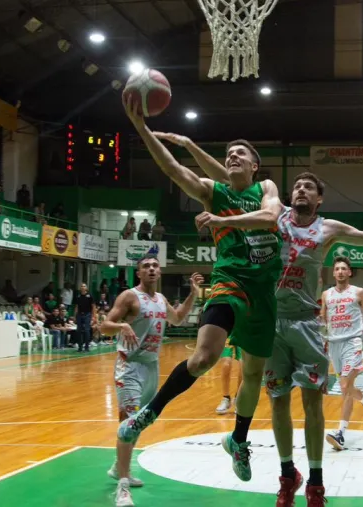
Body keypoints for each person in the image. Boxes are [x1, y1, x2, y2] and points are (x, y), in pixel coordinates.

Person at [160, 134, 363, 506]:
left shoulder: (328, 229)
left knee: (310, 404)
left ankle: (317, 482)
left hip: (307, 324)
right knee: (276, 403)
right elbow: (227, 182)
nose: (301, 190)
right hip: (270, 322)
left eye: (309, 186)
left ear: (319, 198)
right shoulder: (272, 217)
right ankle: (287, 474)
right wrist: (194, 157)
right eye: (297, 186)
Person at [116, 96, 285, 483]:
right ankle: (148, 414)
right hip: (229, 281)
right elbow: (174, 169)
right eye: (228, 153)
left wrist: (226, 220)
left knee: (254, 375)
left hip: (264, 293)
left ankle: (238, 440)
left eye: (240, 153)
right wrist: (141, 127)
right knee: (204, 358)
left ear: (254, 165)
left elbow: (271, 217)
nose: (233, 156)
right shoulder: (214, 192)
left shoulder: (266, 189)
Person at [101, 255, 202, 507]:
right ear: (139, 273)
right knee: (129, 422)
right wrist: (122, 326)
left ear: (160, 271)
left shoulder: (160, 299)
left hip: (152, 367)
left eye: (155, 266)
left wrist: (193, 294)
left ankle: (118, 467)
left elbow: (177, 318)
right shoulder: (129, 297)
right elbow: (104, 325)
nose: (152, 269)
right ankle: (123, 488)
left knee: (141, 422)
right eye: (146, 266)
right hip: (130, 367)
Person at [323, 256, 363, 451]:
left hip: (353, 342)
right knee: (346, 387)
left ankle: (340, 433)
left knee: (344, 385)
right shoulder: (326, 295)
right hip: (334, 345)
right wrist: (322, 341)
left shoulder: (358, 292)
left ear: (349, 272)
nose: (340, 271)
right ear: (333, 273)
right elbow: (323, 320)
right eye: (337, 269)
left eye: (344, 268)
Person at [215, 344, 243, 414]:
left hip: (243, 334)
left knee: (243, 365)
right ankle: (226, 398)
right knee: (226, 364)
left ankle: (238, 399)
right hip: (228, 334)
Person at [74, 283, 96, 352]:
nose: (83, 287)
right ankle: (80, 347)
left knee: (87, 330)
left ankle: (86, 346)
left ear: (86, 288)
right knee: (78, 330)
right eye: (81, 286)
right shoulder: (78, 296)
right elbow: (76, 307)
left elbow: (93, 306)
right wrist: (75, 316)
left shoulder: (90, 296)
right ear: (80, 288)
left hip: (87, 314)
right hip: (79, 314)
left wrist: (93, 316)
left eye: (84, 286)